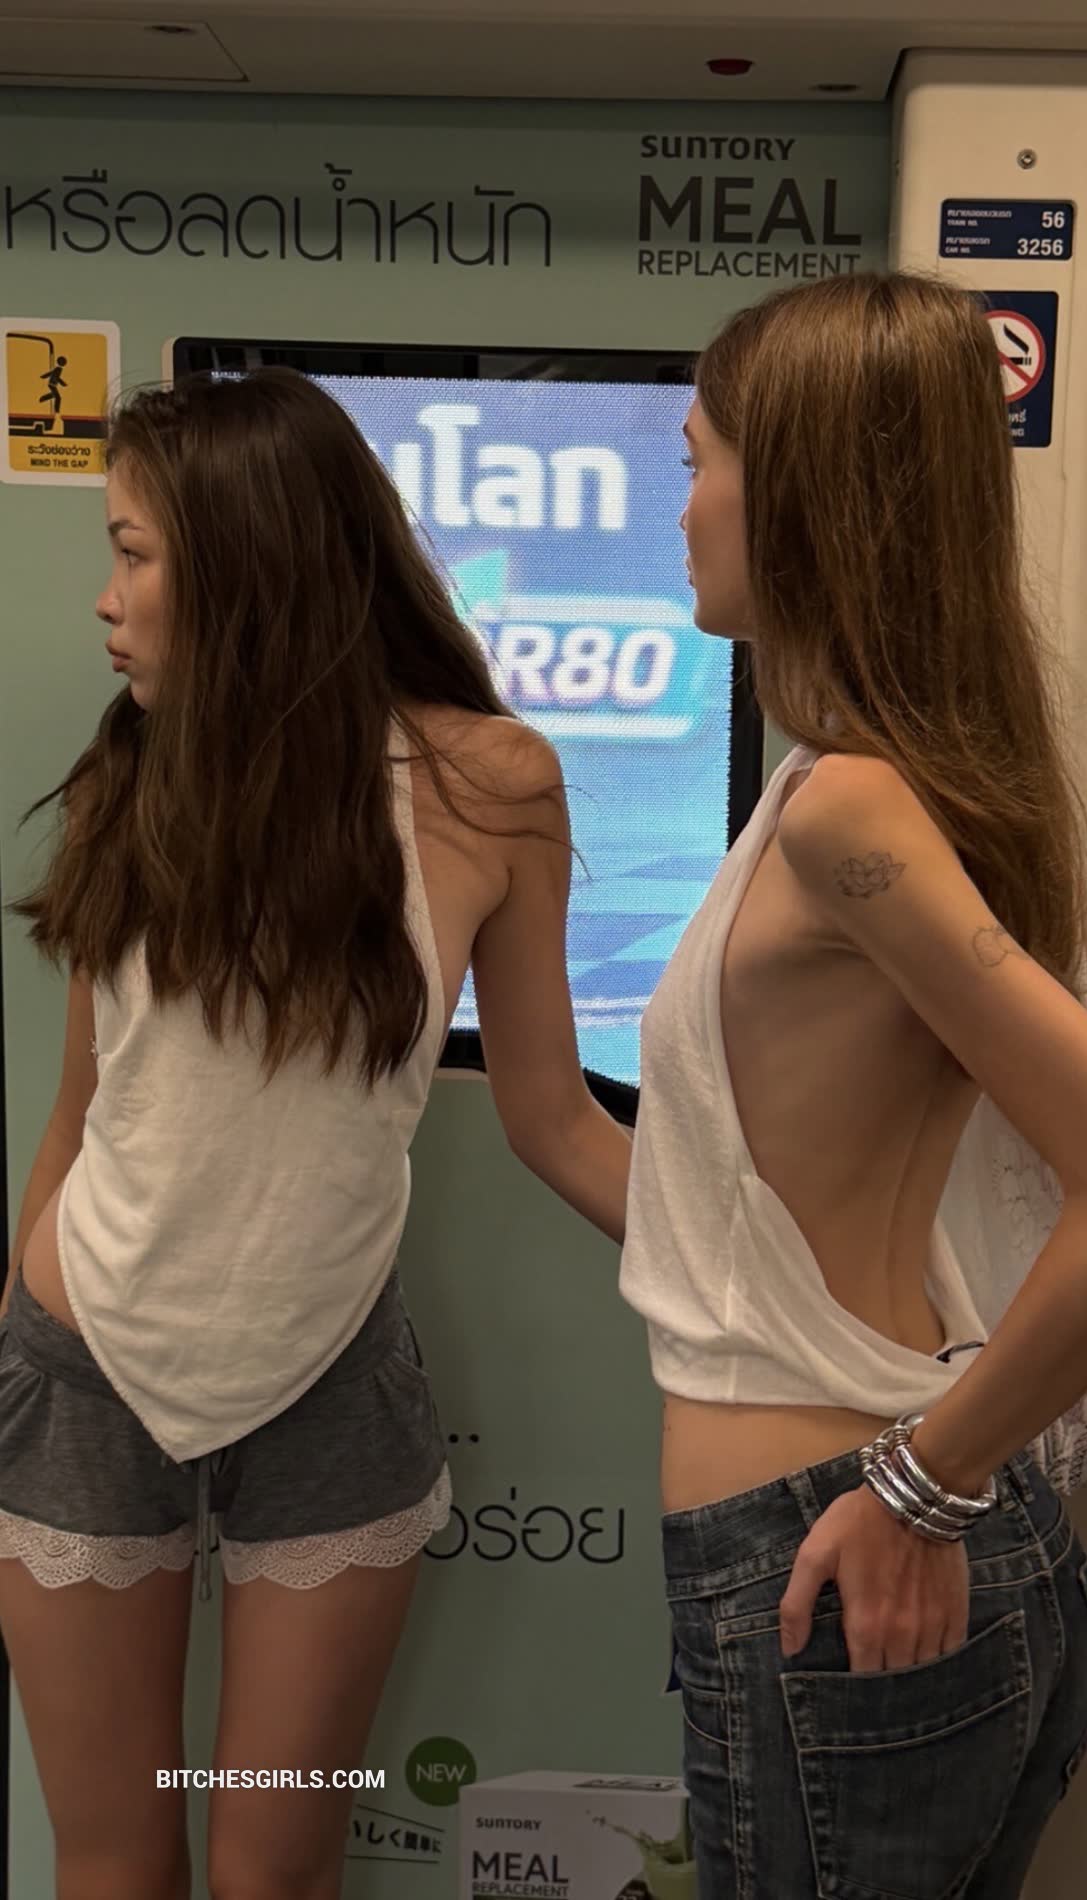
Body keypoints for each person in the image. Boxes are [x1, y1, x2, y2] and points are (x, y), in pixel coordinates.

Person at [0, 368, 632, 1900]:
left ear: (244, 559)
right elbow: (84, 1112)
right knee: (113, 1860)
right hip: (82, 1372)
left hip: (329, 1390)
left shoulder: (492, 785)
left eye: (134, 553)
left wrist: (771, 1288)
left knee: (275, 1870)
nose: (106, 601)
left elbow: (554, 1117)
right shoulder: (129, 772)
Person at [618, 271, 1087, 1898]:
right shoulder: (846, 787)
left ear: (798, 494)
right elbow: (741, 1197)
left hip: (835, 1554)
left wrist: (921, 1489)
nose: (680, 506)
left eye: (699, 461)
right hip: (855, 1551)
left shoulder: (850, 812)